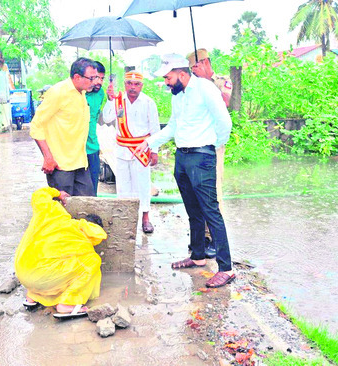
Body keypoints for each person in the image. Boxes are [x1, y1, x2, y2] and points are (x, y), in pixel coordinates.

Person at [134, 54, 235, 288]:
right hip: (182, 157)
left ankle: (226, 268)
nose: (166, 82)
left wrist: (211, 145)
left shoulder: (205, 89)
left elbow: (224, 122)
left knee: (211, 211)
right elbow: (173, 127)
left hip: (201, 156)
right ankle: (198, 255)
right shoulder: (178, 96)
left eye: (168, 78)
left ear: (181, 74)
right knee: (192, 209)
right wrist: (149, 143)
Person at [14, 187, 105, 318]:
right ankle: (67, 304)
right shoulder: (83, 242)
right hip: (43, 278)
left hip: (21, 272)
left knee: (44, 261)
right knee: (93, 262)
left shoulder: (52, 213)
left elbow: (38, 194)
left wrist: (57, 193)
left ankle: (32, 298)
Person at [187, 48, 234, 257]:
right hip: (197, 144)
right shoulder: (192, 85)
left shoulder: (222, 80)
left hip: (214, 144)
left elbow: (223, 105)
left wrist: (206, 80)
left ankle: (216, 238)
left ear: (205, 63)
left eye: (195, 67)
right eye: (191, 69)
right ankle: (202, 238)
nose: (193, 72)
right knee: (196, 191)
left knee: (213, 191)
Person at [30, 57, 99, 196]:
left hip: (80, 162)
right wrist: (48, 157)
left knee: (87, 207)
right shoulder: (58, 92)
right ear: (77, 77)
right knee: (63, 211)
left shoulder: (82, 93)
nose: (95, 82)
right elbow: (36, 125)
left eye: (96, 77)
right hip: (60, 165)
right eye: (91, 78)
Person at [103, 71, 160, 234]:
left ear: (142, 85)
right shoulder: (119, 100)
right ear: (125, 84)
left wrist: (154, 151)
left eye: (136, 84)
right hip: (122, 150)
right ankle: (124, 217)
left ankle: (145, 218)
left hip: (141, 150)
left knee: (142, 184)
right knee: (123, 185)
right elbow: (107, 118)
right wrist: (109, 99)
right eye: (129, 83)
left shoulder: (149, 102)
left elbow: (155, 129)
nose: (132, 87)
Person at [85, 61, 106, 196]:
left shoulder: (100, 94)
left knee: (93, 190)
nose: (99, 82)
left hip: (92, 147)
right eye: (96, 77)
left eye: (102, 78)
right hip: (75, 149)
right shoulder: (78, 93)